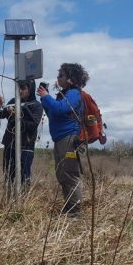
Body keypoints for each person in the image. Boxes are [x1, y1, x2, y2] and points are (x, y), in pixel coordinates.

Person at [37, 63, 88, 216]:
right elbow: (54, 113)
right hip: (60, 140)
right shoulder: (63, 95)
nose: (58, 78)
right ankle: (69, 209)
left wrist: (47, 97)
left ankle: (75, 213)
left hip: (70, 139)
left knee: (70, 175)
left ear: (70, 79)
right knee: (62, 175)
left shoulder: (74, 93)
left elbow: (60, 109)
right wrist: (45, 99)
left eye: (61, 76)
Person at [0, 80, 43, 193]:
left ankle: (23, 202)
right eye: (18, 88)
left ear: (30, 89)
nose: (20, 91)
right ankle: (8, 201)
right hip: (9, 144)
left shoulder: (36, 105)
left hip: (26, 146)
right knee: (8, 175)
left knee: (24, 176)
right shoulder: (13, 101)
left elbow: (33, 125)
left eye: (23, 88)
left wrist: (19, 117)